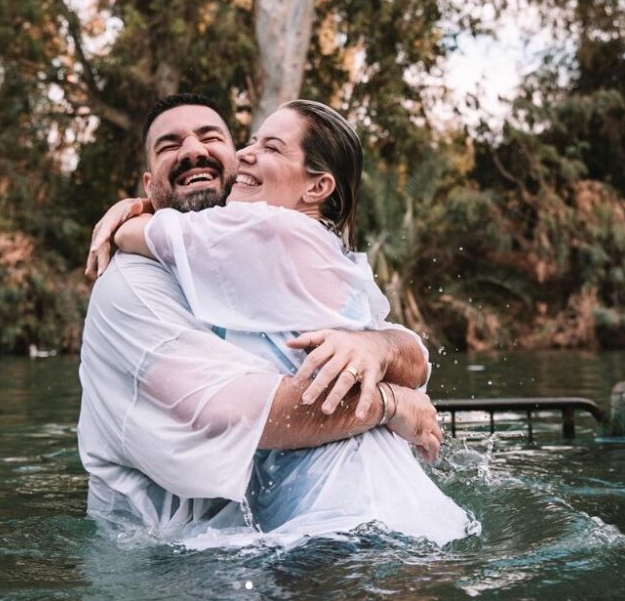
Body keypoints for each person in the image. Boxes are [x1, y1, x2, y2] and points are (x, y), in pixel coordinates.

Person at [77, 94, 452, 547]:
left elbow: (402, 353)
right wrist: (389, 404)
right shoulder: (135, 284)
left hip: (344, 518)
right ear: (148, 183)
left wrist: (380, 349)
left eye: (213, 138)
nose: (194, 150)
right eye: (168, 146)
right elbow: (229, 414)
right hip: (168, 560)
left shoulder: (258, 242)